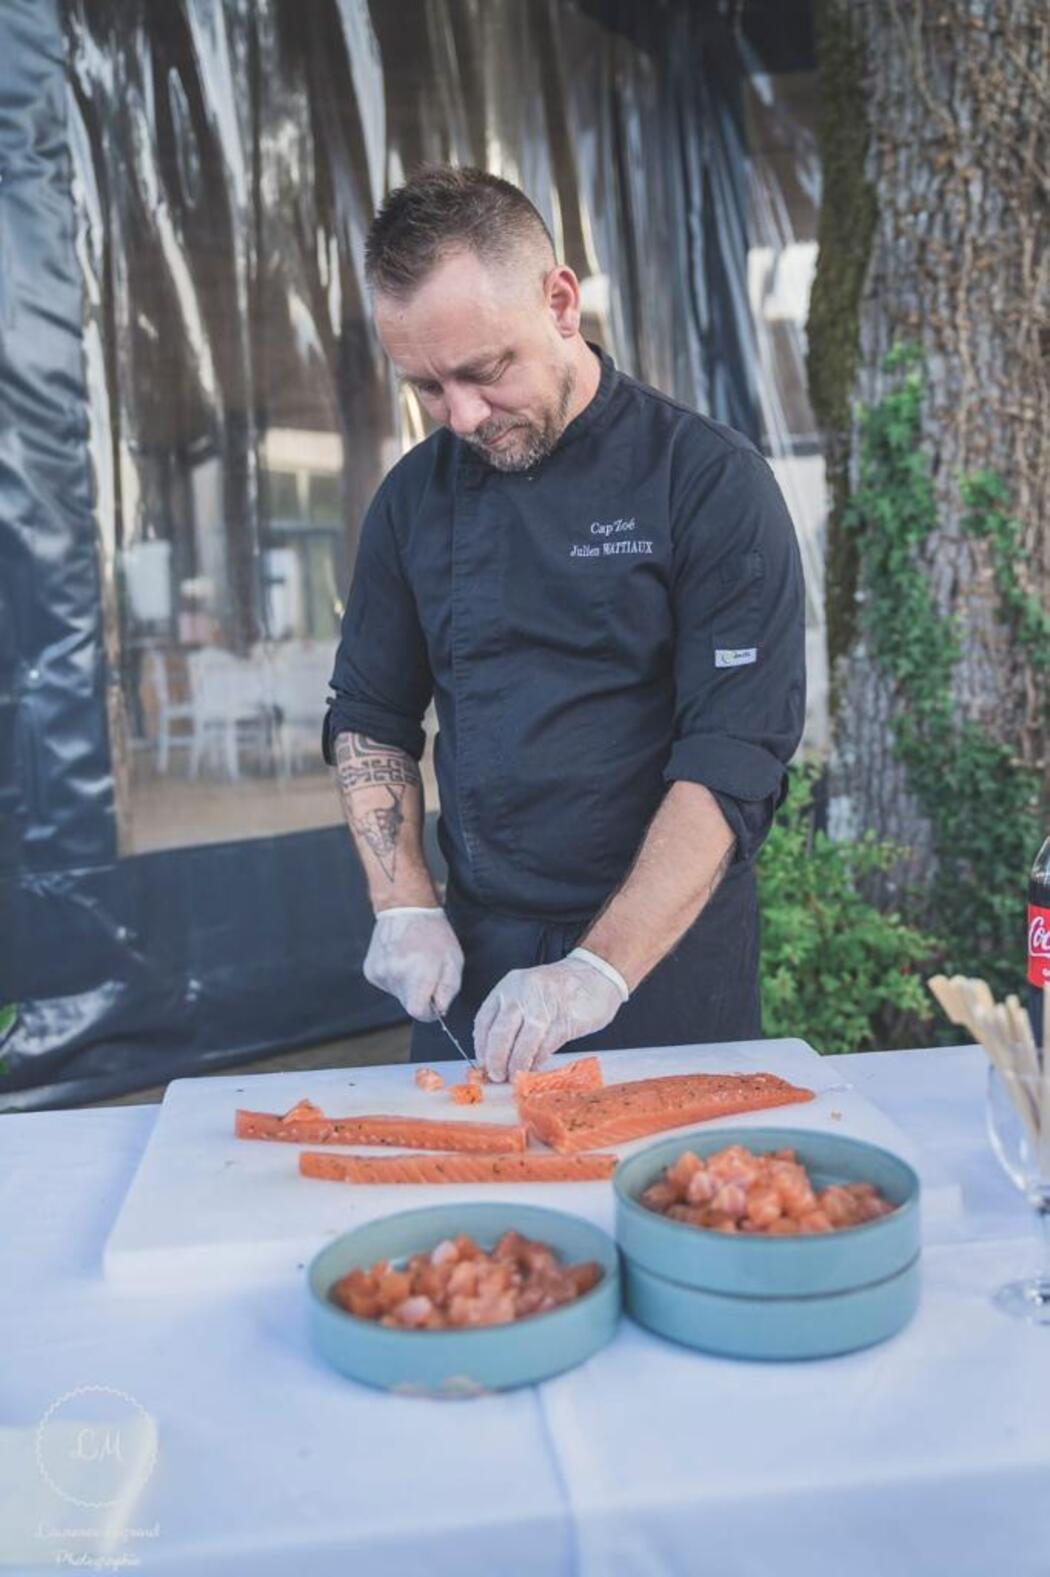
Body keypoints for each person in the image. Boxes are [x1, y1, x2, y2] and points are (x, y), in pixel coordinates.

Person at [323, 165, 805, 1082]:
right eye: (425, 386)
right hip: (474, 965)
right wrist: (402, 904)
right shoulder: (411, 503)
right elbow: (370, 715)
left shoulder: (707, 483)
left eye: (484, 370)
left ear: (559, 300)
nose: (460, 415)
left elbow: (734, 753)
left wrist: (596, 971)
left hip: (662, 968)